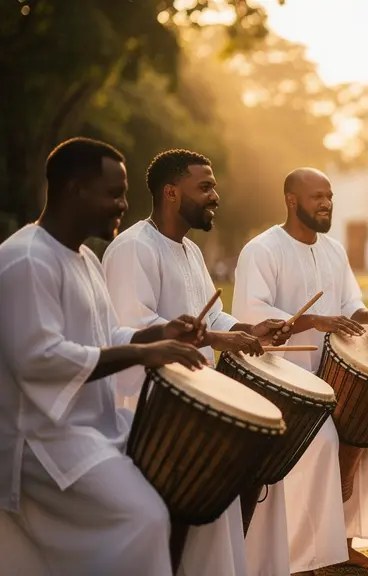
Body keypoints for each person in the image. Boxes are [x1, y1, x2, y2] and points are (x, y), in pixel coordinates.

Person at [0, 137, 209, 575]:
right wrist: (143, 352)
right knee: (143, 517)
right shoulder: (26, 259)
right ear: (74, 189)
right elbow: (39, 359)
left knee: (184, 469)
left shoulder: (85, 260)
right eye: (114, 193)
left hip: (94, 424)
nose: (124, 204)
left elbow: (102, 334)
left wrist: (160, 332)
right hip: (42, 440)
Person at [101, 149, 288, 576]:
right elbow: (139, 326)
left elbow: (210, 314)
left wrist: (249, 329)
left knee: (220, 501)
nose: (215, 196)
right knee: (172, 517)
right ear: (171, 192)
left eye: (213, 186)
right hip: (146, 407)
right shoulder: (133, 248)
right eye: (204, 187)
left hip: (196, 401)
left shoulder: (189, 250)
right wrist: (222, 338)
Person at [232, 167, 368, 576]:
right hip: (282, 380)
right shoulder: (262, 249)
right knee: (324, 441)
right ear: (292, 200)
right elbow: (251, 316)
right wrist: (313, 320)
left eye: (329, 196)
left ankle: (343, 545)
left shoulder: (333, 250)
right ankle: (304, 556)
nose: (326, 203)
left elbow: (350, 305)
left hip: (332, 377)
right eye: (317, 197)